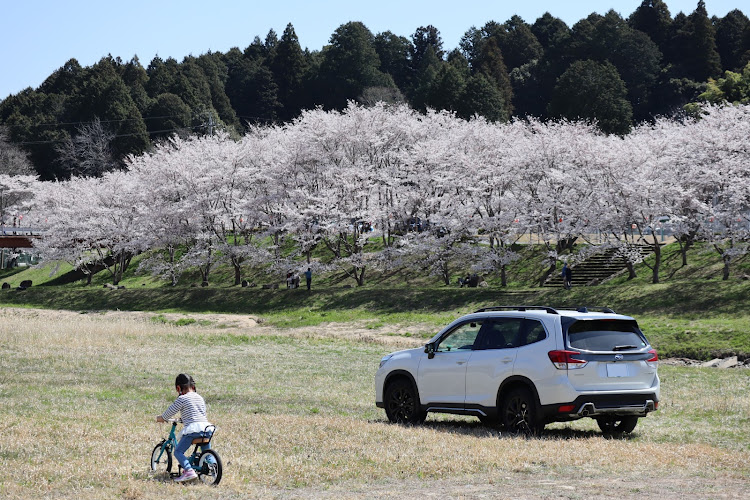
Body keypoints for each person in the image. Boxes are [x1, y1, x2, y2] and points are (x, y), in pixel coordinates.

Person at [156, 374, 212, 482]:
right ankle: (213, 466)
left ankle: (188, 471)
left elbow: (170, 412)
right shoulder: (200, 397)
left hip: (193, 430)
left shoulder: (182, 398)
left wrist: (161, 418)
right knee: (206, 450)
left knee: (178, 451)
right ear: (193, 386)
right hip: (206, 428)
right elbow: (198, 412)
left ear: (178, 388)